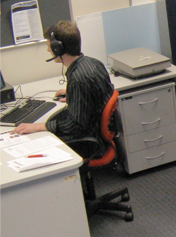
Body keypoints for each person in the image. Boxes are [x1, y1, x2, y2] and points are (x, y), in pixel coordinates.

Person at [12, 21, 115, 158]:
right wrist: (74, 95)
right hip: (95, 131)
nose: (48, 50)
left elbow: (75, 125)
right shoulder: (92, 63)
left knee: (33, 142)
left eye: (49, 46)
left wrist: (39, 126)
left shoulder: (79, 79)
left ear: (58, 49)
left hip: (88, 143)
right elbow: (96, 94)